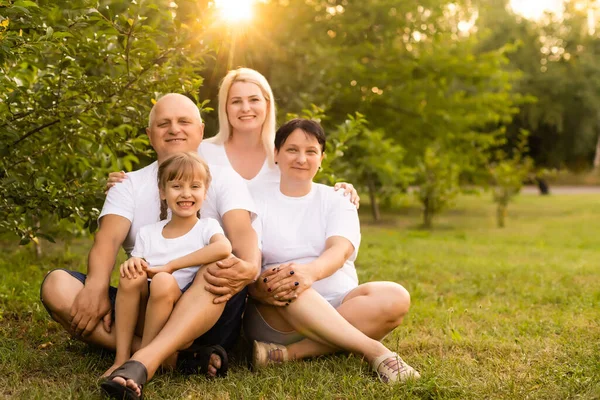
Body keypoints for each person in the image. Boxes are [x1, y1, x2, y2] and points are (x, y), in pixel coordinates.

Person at [40, 93, 260, 399]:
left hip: (205, 306)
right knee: (56, 285)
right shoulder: (128, 184)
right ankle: (177, 357)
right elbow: (107, 241)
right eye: (163, 124)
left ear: (199, 130)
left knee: (217, 266)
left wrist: (250, 266)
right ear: (149, 134)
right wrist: (96, 285)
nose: (174, 129)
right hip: (143, 301)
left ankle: (142, 360)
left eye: (184, 122)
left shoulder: (222, 179)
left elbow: (242, 234)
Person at [244, 119, 420, 384]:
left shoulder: (338, 199)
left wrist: (310, 273)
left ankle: (289, 354)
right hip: (280, 311)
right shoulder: (254, 199)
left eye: (311, 151)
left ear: (322, 158)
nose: (301, 158)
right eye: (292, 150)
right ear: (276, 154)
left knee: (396, 296)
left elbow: (340, 249)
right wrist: (267, 284)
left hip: (343, 306)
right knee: (288, 277)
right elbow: (250, 257)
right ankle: (376, 351)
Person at [107, 67, 359, 204]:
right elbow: (165, 169)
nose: (246, 108)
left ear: (267, 105)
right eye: (236, 101)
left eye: (253, 100)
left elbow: (306, 189)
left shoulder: (286, 152)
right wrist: (126, 181)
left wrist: (342, 190)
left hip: (272, 255)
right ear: (225, 108)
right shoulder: (202, 151)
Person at [102, 152, 231, 382]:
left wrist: (170, 267)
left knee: (162, 280)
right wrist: (133, 262)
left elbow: (223, 249)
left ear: (205, 191)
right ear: (163, 192)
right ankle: (121, 359)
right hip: (146, 311)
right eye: (176, 186)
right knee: (132, 276)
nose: (186, 193)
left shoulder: (207, 227)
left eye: (194, 186)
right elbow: (139, 264)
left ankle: (143, 359)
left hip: (179, 321)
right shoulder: (148, 233)